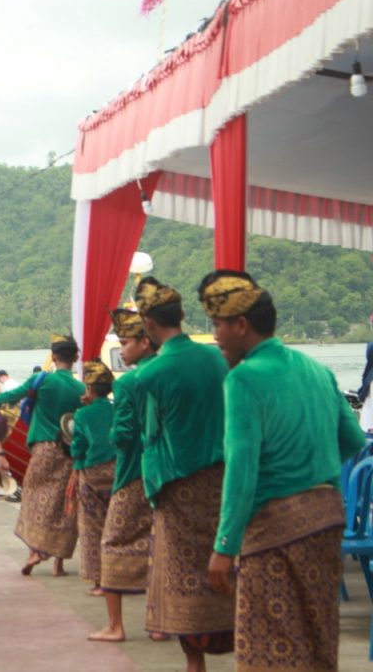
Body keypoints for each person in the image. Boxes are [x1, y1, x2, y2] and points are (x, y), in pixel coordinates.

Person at [199, 270, 365, 672]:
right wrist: (313, 467)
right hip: (326, 519)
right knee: (317, 633)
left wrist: (224, 544)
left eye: (218, 325)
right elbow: (353, 441)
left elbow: (242, 469)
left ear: (241, 325)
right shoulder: (316, 370)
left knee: (270, 643)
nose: (216, 335)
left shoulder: (243, 379)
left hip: (274, 527)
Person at [134, 276, 234, 672]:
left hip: (178, 483)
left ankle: (195, 664)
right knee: (223, 560)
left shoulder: (149, 375)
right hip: (222, 477)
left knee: (183, 573)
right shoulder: (216, 357)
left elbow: (150, 434)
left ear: (148, 323)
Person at [89, 309, 159, 643]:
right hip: (163, 474)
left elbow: (125, 433)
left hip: (132, 472)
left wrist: (114, 432)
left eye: (126, 342)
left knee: (112, 542)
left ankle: (115, 625)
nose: (122, 349)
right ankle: (159, 622)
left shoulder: (131, 382)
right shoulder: (166, 373)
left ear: (146, 342)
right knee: (159, 546)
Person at [0, 334, 84, 577]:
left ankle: (35, 550)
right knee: (64, 503)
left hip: (42, 450)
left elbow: (9, 397)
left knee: (34, 499)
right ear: (76, 358)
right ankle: (59, 564)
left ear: (53, 357)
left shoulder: (41, 380)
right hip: (69, 453)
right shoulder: (80, 388)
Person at [67, 361, 116, 597]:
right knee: (115, 526)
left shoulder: (83, 414)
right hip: (118, 472)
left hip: (92, 473)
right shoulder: (117, 408)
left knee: (92, 528)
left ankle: (99, 581)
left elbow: (78, 446)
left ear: (90, 389)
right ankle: (120, 578)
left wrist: (76, 467)